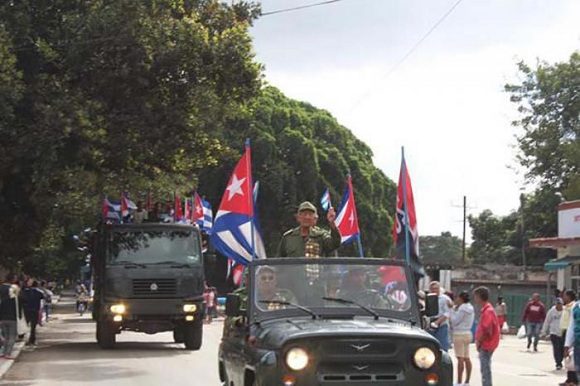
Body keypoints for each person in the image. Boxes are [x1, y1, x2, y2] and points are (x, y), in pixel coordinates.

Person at [276, 201, 340, 258]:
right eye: (304, 214)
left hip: (315, 271)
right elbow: (279, 261)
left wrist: (331, 223)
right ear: (298, 218)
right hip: (294, 271)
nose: (307, 217)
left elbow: (335, 244)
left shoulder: (321, 236)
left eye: (310, 214)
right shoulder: (288, 237)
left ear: (315, 218)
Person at [473, 286, 500, 386]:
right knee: (485, 367)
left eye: (475, 296)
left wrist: (479, 341)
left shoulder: (488, 311)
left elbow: (487, 330)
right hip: (487, 343)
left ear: (479, 297)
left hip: (487, 344)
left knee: (485, 368)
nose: (474, 299)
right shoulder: (486, 309)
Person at [450, 291, 475, 386]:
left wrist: (452, 311)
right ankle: (467, 381)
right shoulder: (470, 307)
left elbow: (455, 321)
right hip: (468, 332)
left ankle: (459, 381)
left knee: (460, 358)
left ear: (461, 299)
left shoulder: (461, 308)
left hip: (459, 333)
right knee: (466, 358)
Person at [0, 274, 21, 359]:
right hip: (12, 317)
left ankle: (3, 352)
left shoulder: (1, 289)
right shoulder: (14, 291)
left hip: (2, 317)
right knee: (12, 336)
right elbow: (21, 301)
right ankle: (8, 353)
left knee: (5, 336)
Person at [427, 281, 452, 352]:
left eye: (436, 288)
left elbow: (447, 313)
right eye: (432, 289)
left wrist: (437, 322)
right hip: (430, 324)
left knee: (442, 347)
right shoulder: (428, 298)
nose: (434, 290)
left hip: (442, 324)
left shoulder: (445, 299)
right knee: (431, 347)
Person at [561, 290, 578, 385]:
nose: (563, 297)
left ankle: (573, 380)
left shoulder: (572, 306)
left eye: (565, 296)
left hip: (572, 334)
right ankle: (571, 379)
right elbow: (572, 324)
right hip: (570, 333)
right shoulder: (574, 307)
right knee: (570, 358)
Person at [542, 297, 564, 369]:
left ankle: (561, 359)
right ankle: (558, 363)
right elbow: (547, 321)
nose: (559, 306)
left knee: (562, 348)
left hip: (563, 332)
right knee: (556, 348)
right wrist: (544, 332)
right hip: (554, 332)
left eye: (560, 304)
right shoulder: (551, 311)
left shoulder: (565, 311)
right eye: (557, 304)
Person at [22, 280, 45, 346]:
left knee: (25, 324)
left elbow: (22, 300)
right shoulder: (39, 292)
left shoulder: (25, 292)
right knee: (33, 327)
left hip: (26, 310)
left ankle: (21, 335)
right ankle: (32, 339)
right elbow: (42, 299)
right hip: (35, 310)